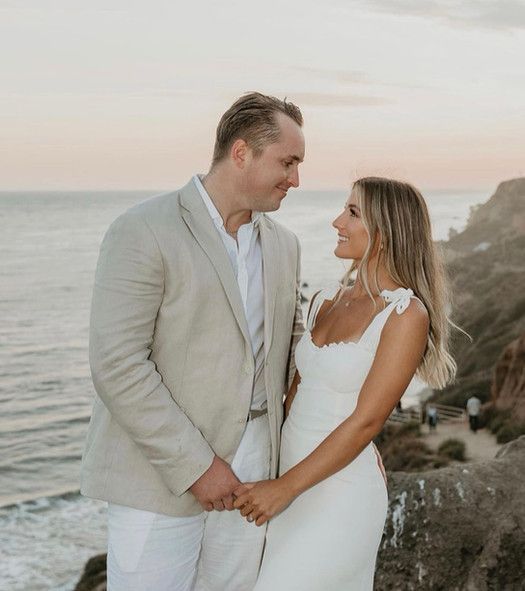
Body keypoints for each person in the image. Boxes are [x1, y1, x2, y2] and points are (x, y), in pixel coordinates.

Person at [80, 92, 305, 591]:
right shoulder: (142, 230)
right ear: (241, 152)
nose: (296, 179)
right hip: (158, 477)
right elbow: (117, 365)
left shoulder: (285, 246)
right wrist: (198, 467)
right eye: (287, 163)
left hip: (254, 477)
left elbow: (294, 354)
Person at [234, 177, 457, 590]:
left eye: (352, 212)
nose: (337, 220)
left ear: (385, 233)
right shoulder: (323, 301)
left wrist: (284, 488)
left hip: (339, 493)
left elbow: (366, 423)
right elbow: (292, 398)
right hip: (286, 482)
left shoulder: (405, 314)